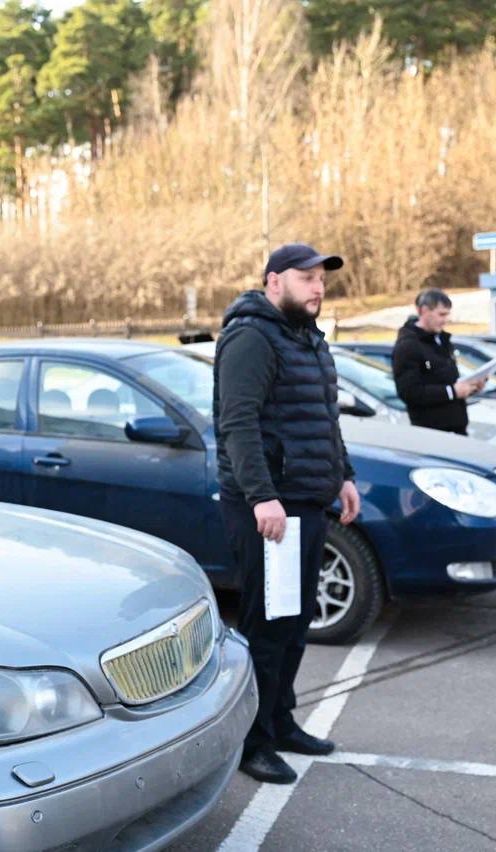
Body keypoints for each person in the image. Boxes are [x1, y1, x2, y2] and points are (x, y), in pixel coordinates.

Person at [213, 243, 361, 785]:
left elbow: (323, 418)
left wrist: (343, 475)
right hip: (269, 509)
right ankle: (252, 742)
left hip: (306, 502)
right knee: (269, 628)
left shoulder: (308, 338)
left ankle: (280, 722)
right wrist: (261, 496)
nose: (318, 287)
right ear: (274, 281)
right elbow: (238, 423)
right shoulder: (251, 337)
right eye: (307, 278)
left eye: (321, 279)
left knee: (296, 625)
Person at [391, 289, 484, 435]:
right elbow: (409, 392)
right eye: (441, 314)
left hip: (457, 428)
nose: (446, 320)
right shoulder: (408, 346)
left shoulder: (441, 341)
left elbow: (445, 379)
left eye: (447, 314)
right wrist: (452, 391)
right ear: (424, 311)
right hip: (432, 434)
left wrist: (470, 387)